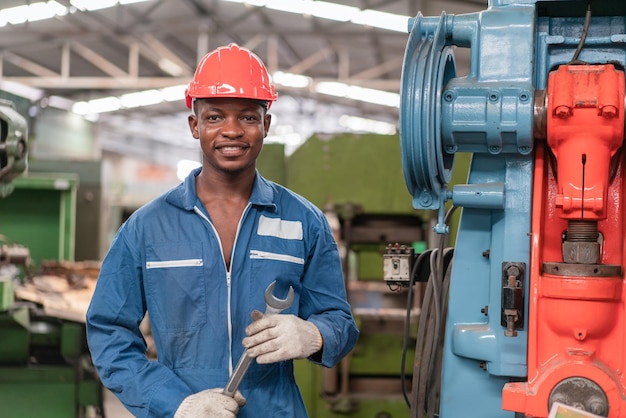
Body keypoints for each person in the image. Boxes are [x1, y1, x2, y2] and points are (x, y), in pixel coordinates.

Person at [86, 43, 359, 418]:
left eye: (247, 117)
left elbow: (338, 320)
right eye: (215, 117)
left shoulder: (304, 222)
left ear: (266, 123)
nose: (231, 131)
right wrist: (175, 403)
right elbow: (109, 332)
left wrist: (315, 336)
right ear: (195, 125)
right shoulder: (146, 228)